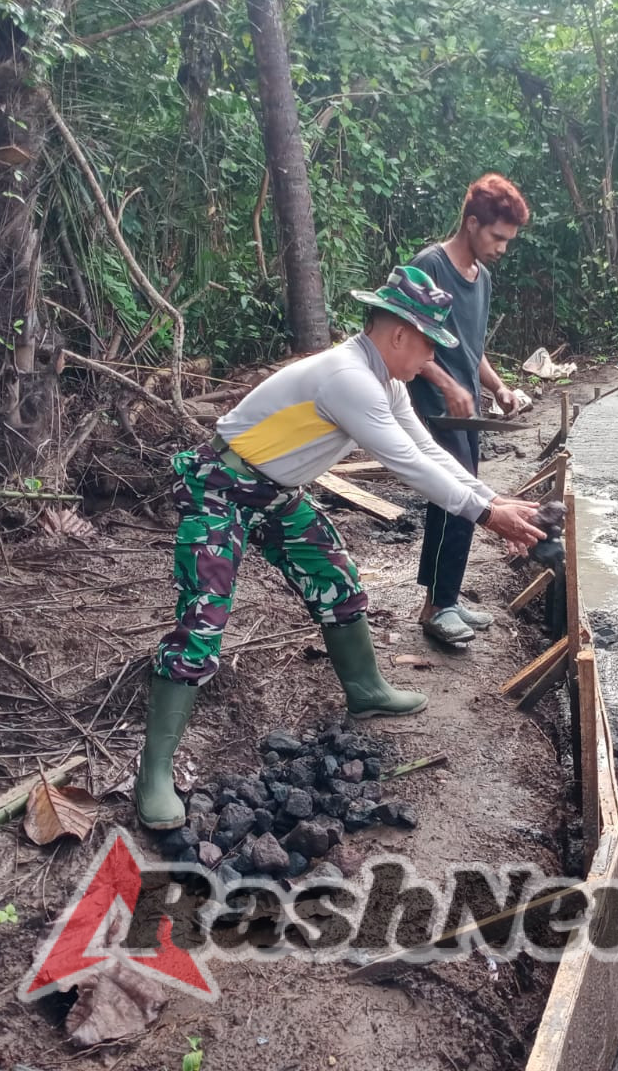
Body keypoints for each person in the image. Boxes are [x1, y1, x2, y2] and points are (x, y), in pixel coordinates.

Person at [135, 266, 545, 830]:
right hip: (221, 487)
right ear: (398, 334)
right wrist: (488, 516)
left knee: (336, 579)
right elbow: (406, 466)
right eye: (429, 345)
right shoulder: (348, 378)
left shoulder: (386, 382)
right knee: (203, 620)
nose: (432, 358)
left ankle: (366, 689)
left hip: (275, 492)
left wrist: (492, 497)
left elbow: (428, 450)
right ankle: (154, 772)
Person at [408, 174, 531, 647]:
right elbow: (403, 339)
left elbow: (470, 348)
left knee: (462, 497)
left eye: (508, 240)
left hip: (466, 407)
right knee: (454, 499)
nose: (502, 248)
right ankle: (437, 607)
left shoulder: (483, 278)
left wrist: (497, 387)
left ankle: (445, 599)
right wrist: (446, 384)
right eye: (497, 237)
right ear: (472, 223)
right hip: (433, 406)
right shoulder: (430, 266)